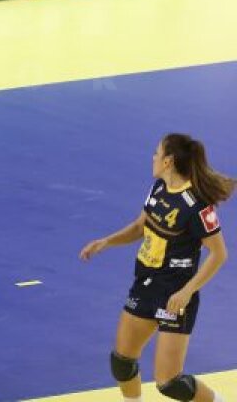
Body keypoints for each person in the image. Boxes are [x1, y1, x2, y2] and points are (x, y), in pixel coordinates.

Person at [79, 133, 233, 402]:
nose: (153, 157)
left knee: (170, 383)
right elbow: (141, 226)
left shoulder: (196, 206)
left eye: (157, 153)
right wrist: (107, 242)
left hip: (175, 297)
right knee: (122, 362)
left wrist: (187, 292)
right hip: (146, 285)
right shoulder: (158, 189)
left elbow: (219, 254)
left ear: (168, 161)